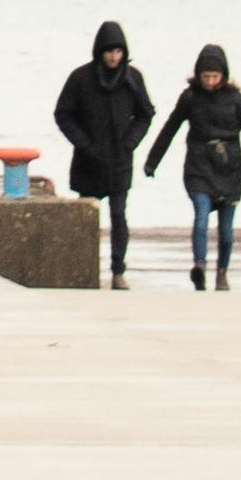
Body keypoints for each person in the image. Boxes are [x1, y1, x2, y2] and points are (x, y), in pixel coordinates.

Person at [49, 18, 156, 286]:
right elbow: (63, 114)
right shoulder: (81, 78)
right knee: (87, 219)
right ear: (99, 51)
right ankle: (85, 269)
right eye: (109, 51)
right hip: (89, 161)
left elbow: (146, 113)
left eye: (118, 51)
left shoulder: (133, 78)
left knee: (119, 215)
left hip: (120, 160)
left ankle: (118, 271)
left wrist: (130, 141)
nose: (113, 56)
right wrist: (83, 143)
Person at [143, 42, 241, 289]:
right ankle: (200, 266)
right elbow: (170, 128)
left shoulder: (237, 100)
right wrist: (152, 161)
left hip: (230, 169)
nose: (209, 81)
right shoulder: (190, 98)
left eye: (214, 76)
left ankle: (222, 272)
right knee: (201, 218)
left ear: (224, 75)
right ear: (198, 75)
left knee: (226, 231)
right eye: (205, 76)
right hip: (199, 167)